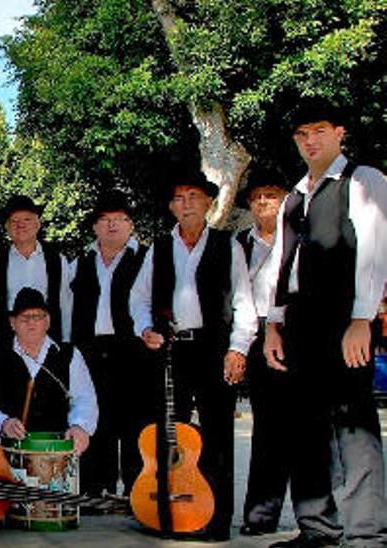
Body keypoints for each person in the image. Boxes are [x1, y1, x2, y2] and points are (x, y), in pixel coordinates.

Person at [261, 100, 387, 548]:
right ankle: (318, 527)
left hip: (342, 318)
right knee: (304, 427)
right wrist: (272, 325)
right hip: (297, 322)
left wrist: (362, 319)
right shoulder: (293, 196)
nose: (309, 141)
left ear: (338, 132)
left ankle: (368, 533)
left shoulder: (363, 180)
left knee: (353, 425)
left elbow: (374, 252)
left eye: (318, 131)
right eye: (301, 134)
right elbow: (281, 264)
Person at [140, 170, 256, 542]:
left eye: (194, 196)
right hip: (171, 350)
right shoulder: (158, 247)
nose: (186, 204)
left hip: (214, 349)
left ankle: (217, 520)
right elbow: (137, 299)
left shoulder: (227, 245)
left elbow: (243, 301)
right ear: (171, 206)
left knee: (217, 436)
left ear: (208, 203)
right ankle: (168, 512)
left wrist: (238, 347)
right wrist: (145, 329)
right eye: (179, 197)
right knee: (168, 435)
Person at [66, 192, 153, 497]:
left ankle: (135, 488)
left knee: (134, 420)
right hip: (90, 351)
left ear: (130, 224)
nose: (111, 225)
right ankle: (94, 487)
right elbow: (67, 307)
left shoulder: (146, 258)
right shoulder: (79, 262)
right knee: (94, 417)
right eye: (104, 219)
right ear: (95, 227)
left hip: (133, 351)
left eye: (119, 219)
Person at [234, 164, 297, 536]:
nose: (262, 203)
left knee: (307, 428)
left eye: (270, 196)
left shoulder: (300, 238)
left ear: (284, 199)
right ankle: (260, 514)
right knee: (267, 429)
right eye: (256, 197)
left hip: (295, 335)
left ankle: (322, 514)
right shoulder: (239, 243)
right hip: (254, 335)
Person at [0, 288, 97, 457]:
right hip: (9, 457)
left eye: (37, 316)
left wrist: (79, 426)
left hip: (59, 454)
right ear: (12, 322)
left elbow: (84, 397)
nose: (31, 323)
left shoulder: (69, 355)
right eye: (24, 317)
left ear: (47, 321)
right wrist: (3, 423)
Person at [0, 194, 73, 356]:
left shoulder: (56, 259)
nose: (20, 225)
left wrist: (66, 344)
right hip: (6, 343)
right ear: (7, 227)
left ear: (37, 224)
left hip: (48, 345)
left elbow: (66, 305)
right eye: (14, 221)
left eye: (27, 220)